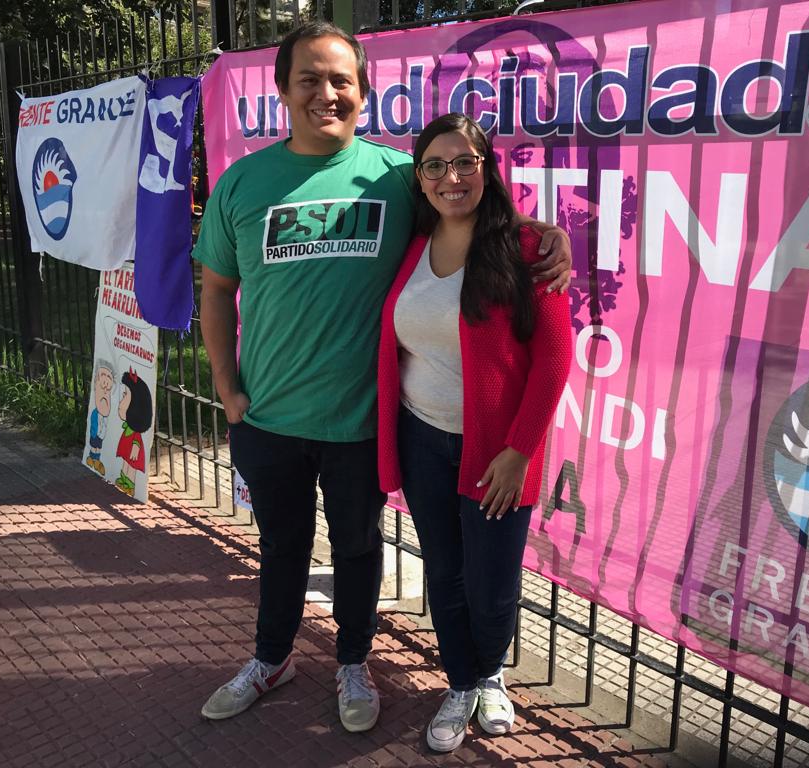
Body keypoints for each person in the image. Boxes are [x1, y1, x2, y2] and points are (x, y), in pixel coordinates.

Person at [193, 22, 572, 732]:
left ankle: (353, 663)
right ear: (282, 91)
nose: (326, 93)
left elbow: (469, 203)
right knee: (280, 548)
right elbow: (215, 288)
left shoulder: (397, 176)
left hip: (362, 422)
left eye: (341, 80)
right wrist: (226, 387)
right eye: (309, 78)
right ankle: (270, 658)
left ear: (363, 93)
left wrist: (544, 236)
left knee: (359, 548)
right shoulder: (242, 182)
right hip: (267, 416)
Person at [377, 113, 572, 752]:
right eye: (435, 165)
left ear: (486, 168)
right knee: (445, 572)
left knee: (492, 585)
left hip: (496, 454)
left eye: (464, 161)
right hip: (422, 439)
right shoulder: (413, 244)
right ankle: (461, 681)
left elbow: (554, 358)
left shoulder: (527, 248)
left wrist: (520, 451)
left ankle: (490, 672)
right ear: (420, 178)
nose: (451, 176)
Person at [114, 369, 152, 495]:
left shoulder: (135, 430)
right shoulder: (128, 426)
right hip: (127, 448)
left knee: (131, 466)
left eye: (125, 395)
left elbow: (137, 439)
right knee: (125, 462)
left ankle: (130, 483)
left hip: (133, 451)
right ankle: (123, 479)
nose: (122, 398)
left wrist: (136, 446)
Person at [86, 361, 114, 475]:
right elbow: (94, 424)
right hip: (96, 434)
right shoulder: (95, 413)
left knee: (98, 446)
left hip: (101, 435)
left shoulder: (106, 415)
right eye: (103, 387)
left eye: (108, 390)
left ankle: (96, 460)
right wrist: (94, 433)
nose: (105, 392)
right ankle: (92, 458)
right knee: (94, 446)